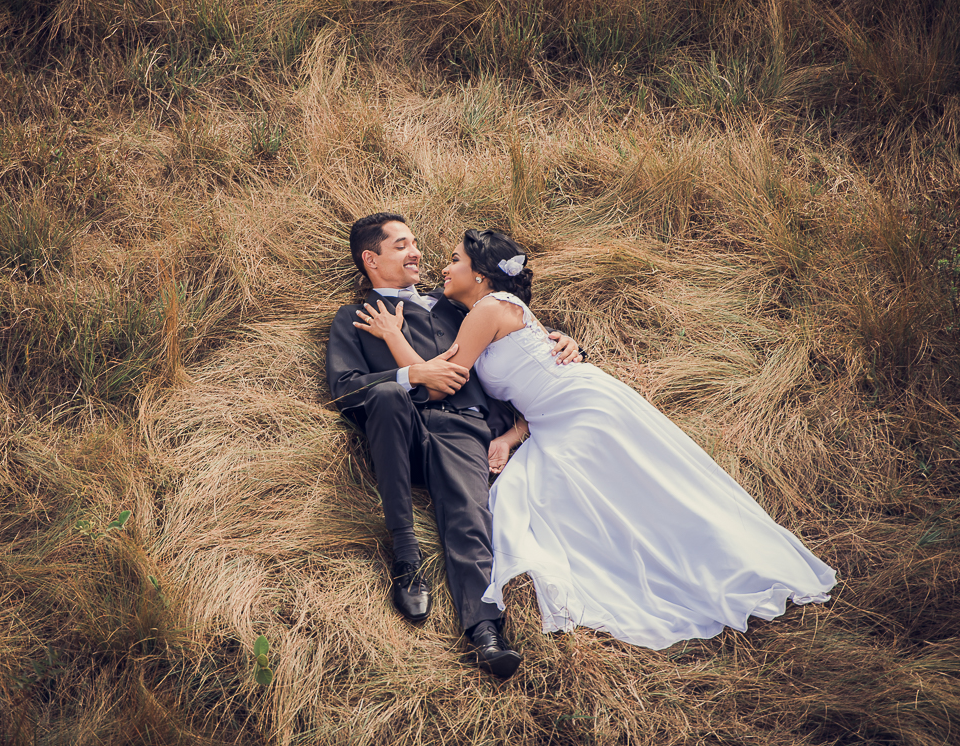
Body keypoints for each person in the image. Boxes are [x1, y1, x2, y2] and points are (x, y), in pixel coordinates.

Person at [353, 228, 837, 650]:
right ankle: (683, 564)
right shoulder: (494, 309)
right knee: (629, 496)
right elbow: (525, 377)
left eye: (455, 259)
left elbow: (447, 375)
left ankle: (707, 566)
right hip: (558, 414)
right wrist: (513, 433)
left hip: (580, 409)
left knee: (630, 496)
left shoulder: (486, 309)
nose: (445, 265)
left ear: (480, 274)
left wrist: (393, 334)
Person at [326, 213, 583, 678]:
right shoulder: (354, 317)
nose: (417, 253)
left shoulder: (455, 307)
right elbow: (344, 388)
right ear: (371, 259)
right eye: (402, 245)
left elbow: (515, 342)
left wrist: (564, 344)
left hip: (463, 428)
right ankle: (406, 557)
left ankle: (486, 631)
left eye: (416, 243)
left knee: (468, 513)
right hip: (399, 432)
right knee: (386, 392)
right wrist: (410, 375)